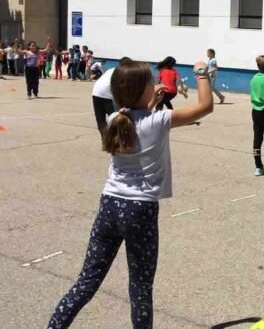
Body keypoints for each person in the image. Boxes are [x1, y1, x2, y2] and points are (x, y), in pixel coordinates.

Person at [46, 59, 214, 328]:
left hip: (110, 204)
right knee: (140, 288)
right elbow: (205, 107)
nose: (155, 84)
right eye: (150, 82)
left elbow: (136, 118)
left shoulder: (115, 119)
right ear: (142, 89)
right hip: (140, 209)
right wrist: (202, 74)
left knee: (87, 280)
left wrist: (150, 103)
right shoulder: (158, 121)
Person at [92, 58, 130, 137]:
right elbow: (121, 88)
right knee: (117, 117)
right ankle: (116, 139)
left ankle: (105, 139)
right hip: (107, 94)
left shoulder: (111, 69)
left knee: (100, 119)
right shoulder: (123, 72)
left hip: (95, 92)